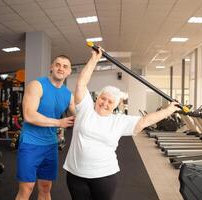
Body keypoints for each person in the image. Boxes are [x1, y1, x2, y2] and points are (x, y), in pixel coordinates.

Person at [63, 47, 180, 200]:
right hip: (76, 174)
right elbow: (81, 84)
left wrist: (169, 110)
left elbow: (146, 120)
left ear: (115, 106)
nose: (105, 103)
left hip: (104, 176)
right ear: (97, 98)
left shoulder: (119, 121)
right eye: (102, 98)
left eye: (110, 101)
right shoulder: (85, 109)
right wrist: (94, 59)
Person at [15, 55, 75, 200]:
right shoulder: (37, 85)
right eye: (57, 64)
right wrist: (58, 123)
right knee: (27, 188)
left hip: (50, 145)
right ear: (51, 67)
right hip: (31, 143)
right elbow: (29, 115)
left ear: (69, 72)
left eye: (65, 66)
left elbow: (80, 117)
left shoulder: (68, 94)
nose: (61, 68)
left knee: (45, 187)